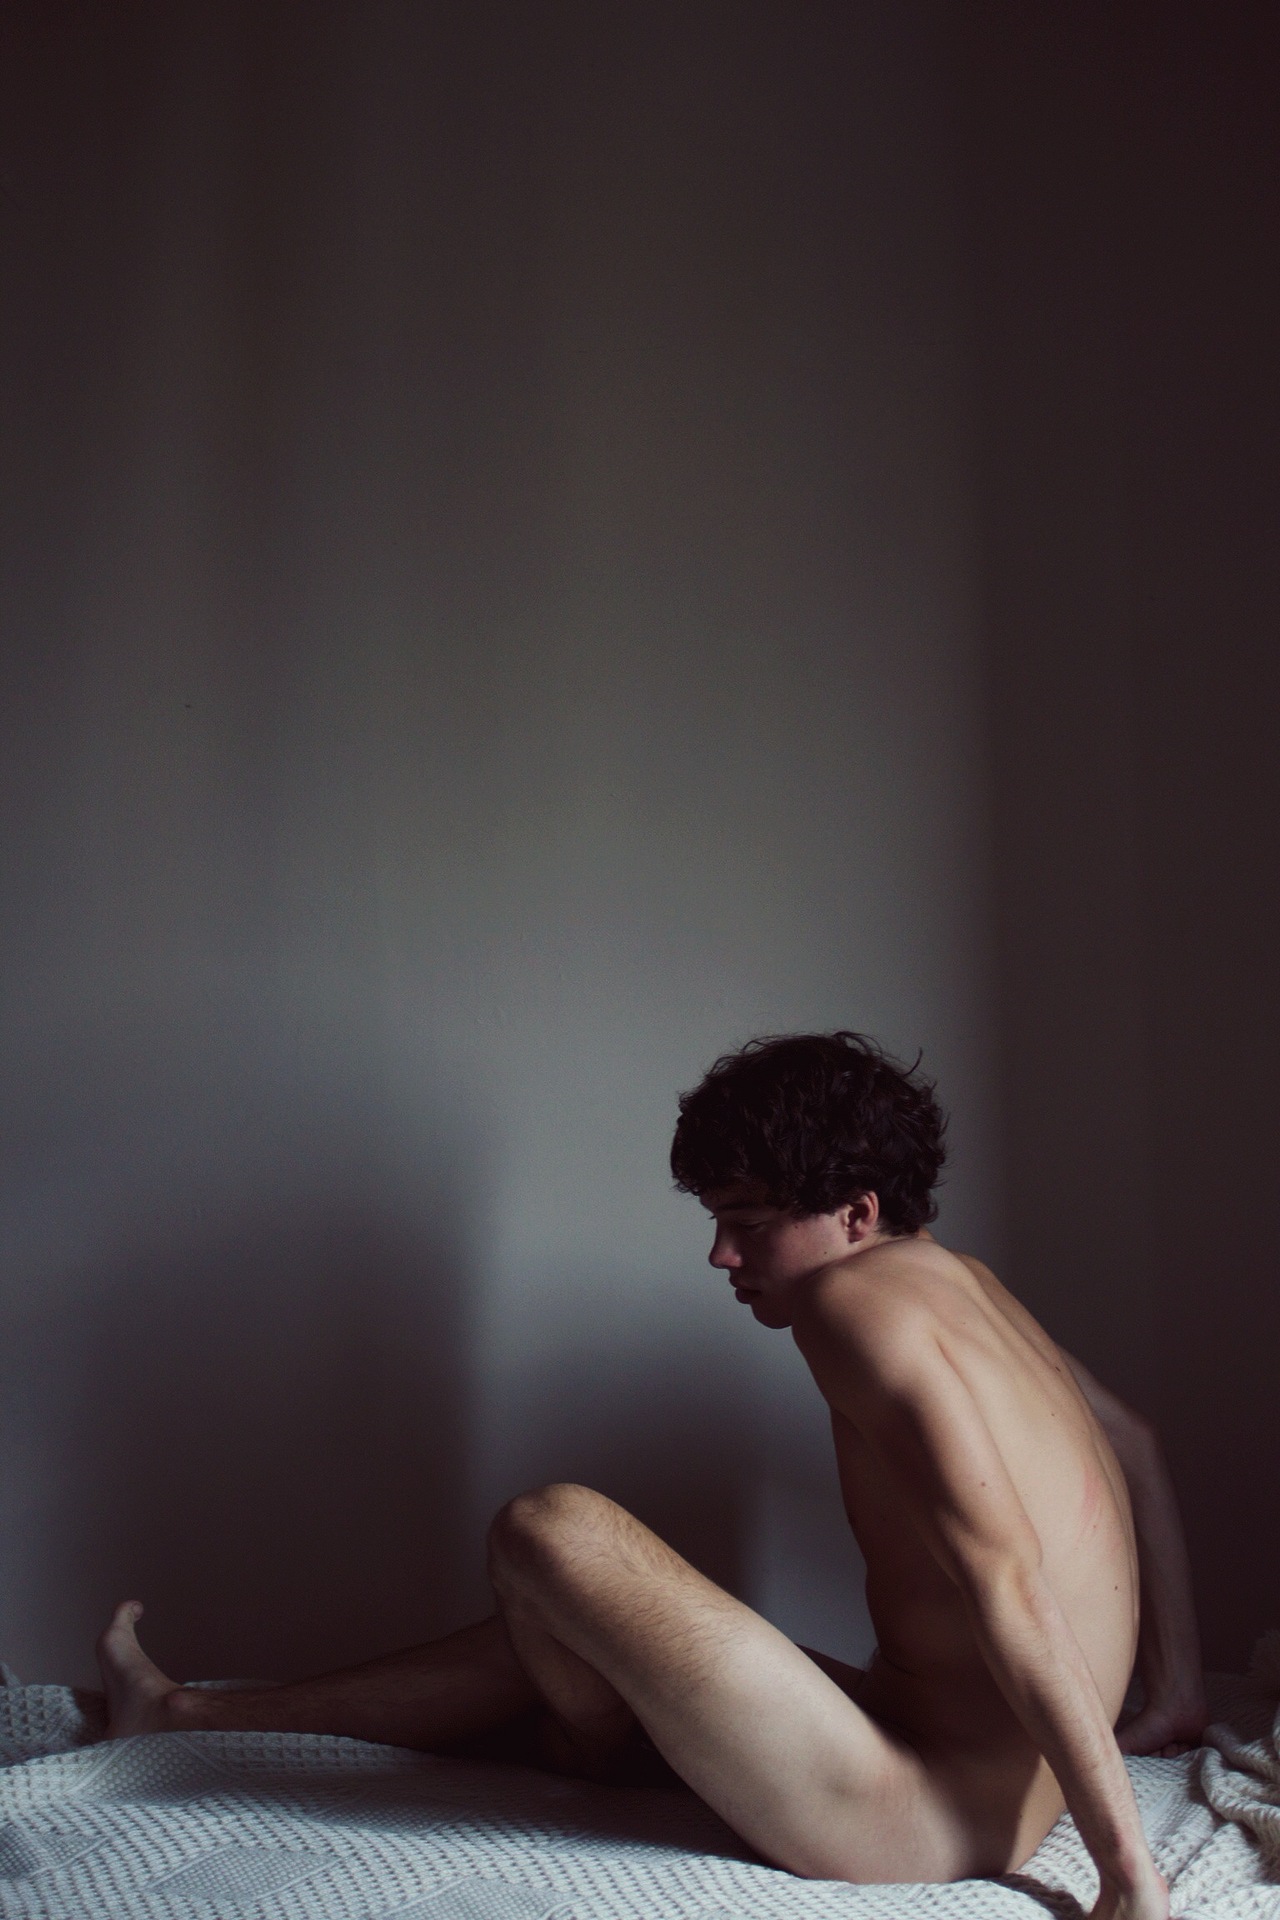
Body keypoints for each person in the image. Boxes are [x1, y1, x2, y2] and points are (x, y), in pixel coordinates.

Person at [96, 1032, 1204, 1919]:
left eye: (748, 1223)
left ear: (856, 1214)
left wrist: (1128, 1874)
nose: (721, 1255)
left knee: (549, 1529)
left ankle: (590, 1748)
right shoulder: (969, 1283)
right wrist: (1173, 1695)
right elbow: (1137, 1445)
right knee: (577, 1620)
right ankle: (181, 1714)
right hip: (972, 1771)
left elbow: (1006, 1580)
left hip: (918, 1817)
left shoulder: (850, 1302)